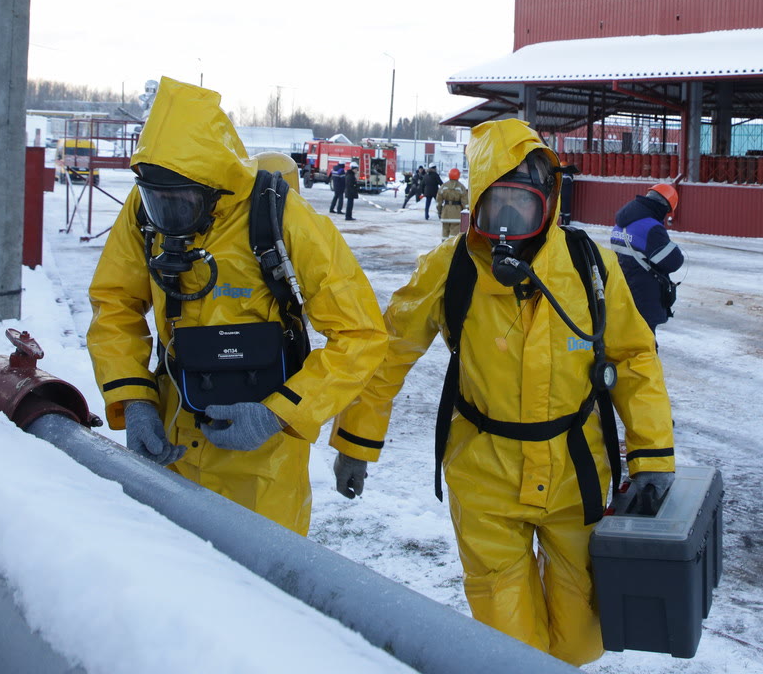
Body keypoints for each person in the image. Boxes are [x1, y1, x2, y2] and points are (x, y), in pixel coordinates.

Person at [329, 119, 675, 665]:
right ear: (478, 205)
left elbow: (633, 357)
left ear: (551, 201)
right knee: (508, 642)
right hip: (484, 477)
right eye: (497, 210)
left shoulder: (588, 265)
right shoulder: (451, 270)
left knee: (584, 636)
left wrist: (653, 455)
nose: (508, 229)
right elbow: (388, 353)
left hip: (576, 472)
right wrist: (355, 439)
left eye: (524, 208)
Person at [88, 77, 387, 536]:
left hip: (264, 468)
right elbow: (115, 302)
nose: (169, 216)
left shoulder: (279, 217)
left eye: (182, 202)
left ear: (216, 186)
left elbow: (361, 334)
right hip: (172, 443)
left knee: (256, 594)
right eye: (157, 201)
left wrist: (279, 413)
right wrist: (135, 401)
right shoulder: (144, 211)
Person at [609, 183, 685, 334]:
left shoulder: (621, 222)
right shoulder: (651, 227)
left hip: (621, 290)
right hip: (644, 297)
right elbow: (673, 261)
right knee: (645, 347)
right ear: (663, 207)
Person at [436, 167, 467, 239]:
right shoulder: (461, 187)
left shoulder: (444, 186)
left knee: (444, 234)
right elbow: (465, 203)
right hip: (456, 214)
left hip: (445, 213)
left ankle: (444, 247)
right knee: (454, 235)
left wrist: (439, 211)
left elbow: (438, 201)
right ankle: (451, 248)